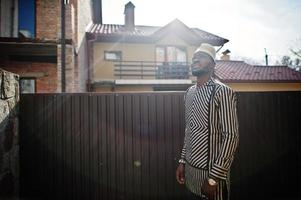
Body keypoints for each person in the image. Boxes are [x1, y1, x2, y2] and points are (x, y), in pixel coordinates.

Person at [176, 43, 239, 200]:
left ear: (212, 64)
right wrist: (182, 161)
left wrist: (213, 179)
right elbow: (189, 130)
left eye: (201, 57)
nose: (195, 60)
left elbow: (231, 137)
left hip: (212, 179)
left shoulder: (223, 91)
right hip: (190, 175)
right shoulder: (189, 93)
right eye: (194, 58)